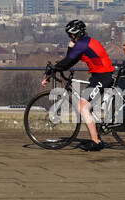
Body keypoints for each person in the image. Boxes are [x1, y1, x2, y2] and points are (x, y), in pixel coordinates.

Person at [40, 19, 113, 152]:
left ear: (75, 34)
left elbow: (68, 61)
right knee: (85, 106)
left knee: (82, 107)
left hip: (103, 77)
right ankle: (96, 135)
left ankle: (96, 141)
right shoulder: (85, 42)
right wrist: (56, 68)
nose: (70, 37)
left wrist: (52, 70)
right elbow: (70, 61)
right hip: (98, 76)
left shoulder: (83, 44)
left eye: (70, 35)